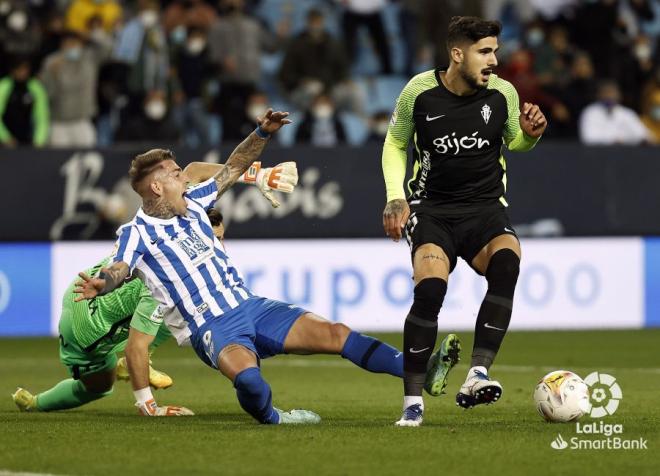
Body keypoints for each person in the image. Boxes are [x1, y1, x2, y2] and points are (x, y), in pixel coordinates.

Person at [74, 112, 452, 424]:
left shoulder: (196, 201)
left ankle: (420, 369)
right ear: (157, 188)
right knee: (252, 384)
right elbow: (120, 268)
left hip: (253, 307)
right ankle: (274, 418)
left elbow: (235, 166)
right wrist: (103, 283)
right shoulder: (136, 232)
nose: (184, 176)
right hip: (212, 326)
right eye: (175, 173)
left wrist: (261, 133)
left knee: (337, 333)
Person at [12, 161, 298, 415]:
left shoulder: (176, 215)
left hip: (93, 286)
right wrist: (149, 406)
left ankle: (124, 368)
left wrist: (258, 174)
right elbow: (136, 345)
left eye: (221, 238)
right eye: (214, 239)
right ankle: (37, 403)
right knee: (99, 386)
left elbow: (194, 172)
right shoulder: (166, 275)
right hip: (88, 319)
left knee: (197, 312)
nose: (219, 247)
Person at [381, 16, 547, 427]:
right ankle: (412, 405)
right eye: (485, 52)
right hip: (432, 210)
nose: (495, 60)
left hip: (486, 209)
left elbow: (517, 142)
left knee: (507, 265)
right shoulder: (419, 92)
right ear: (458, 54)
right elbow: (396, 142)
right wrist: (395, 197)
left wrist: (531, 134)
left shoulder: (503, 94)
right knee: (432, 289)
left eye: (495, 51)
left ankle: (477, 374)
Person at [579, 80, 652, 145]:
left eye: (612, 93)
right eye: (606, 93)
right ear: (598, 95)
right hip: (598, 155)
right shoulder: (590, 112)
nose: (609, 96)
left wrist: (626, 140)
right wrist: (613, 140)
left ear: (619, 95)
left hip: (626, 154)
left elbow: (644, 135)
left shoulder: (627, 113)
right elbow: (588, 138)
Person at [0, 58, 49, 147]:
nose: (23, 73)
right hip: (6, 141)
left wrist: (39, 140)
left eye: (25, 69)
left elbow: (42, 116)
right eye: (19, 70)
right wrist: (5, 137)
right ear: (13, 71)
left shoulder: (36, 87)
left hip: (29, 139)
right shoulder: (3, 87)